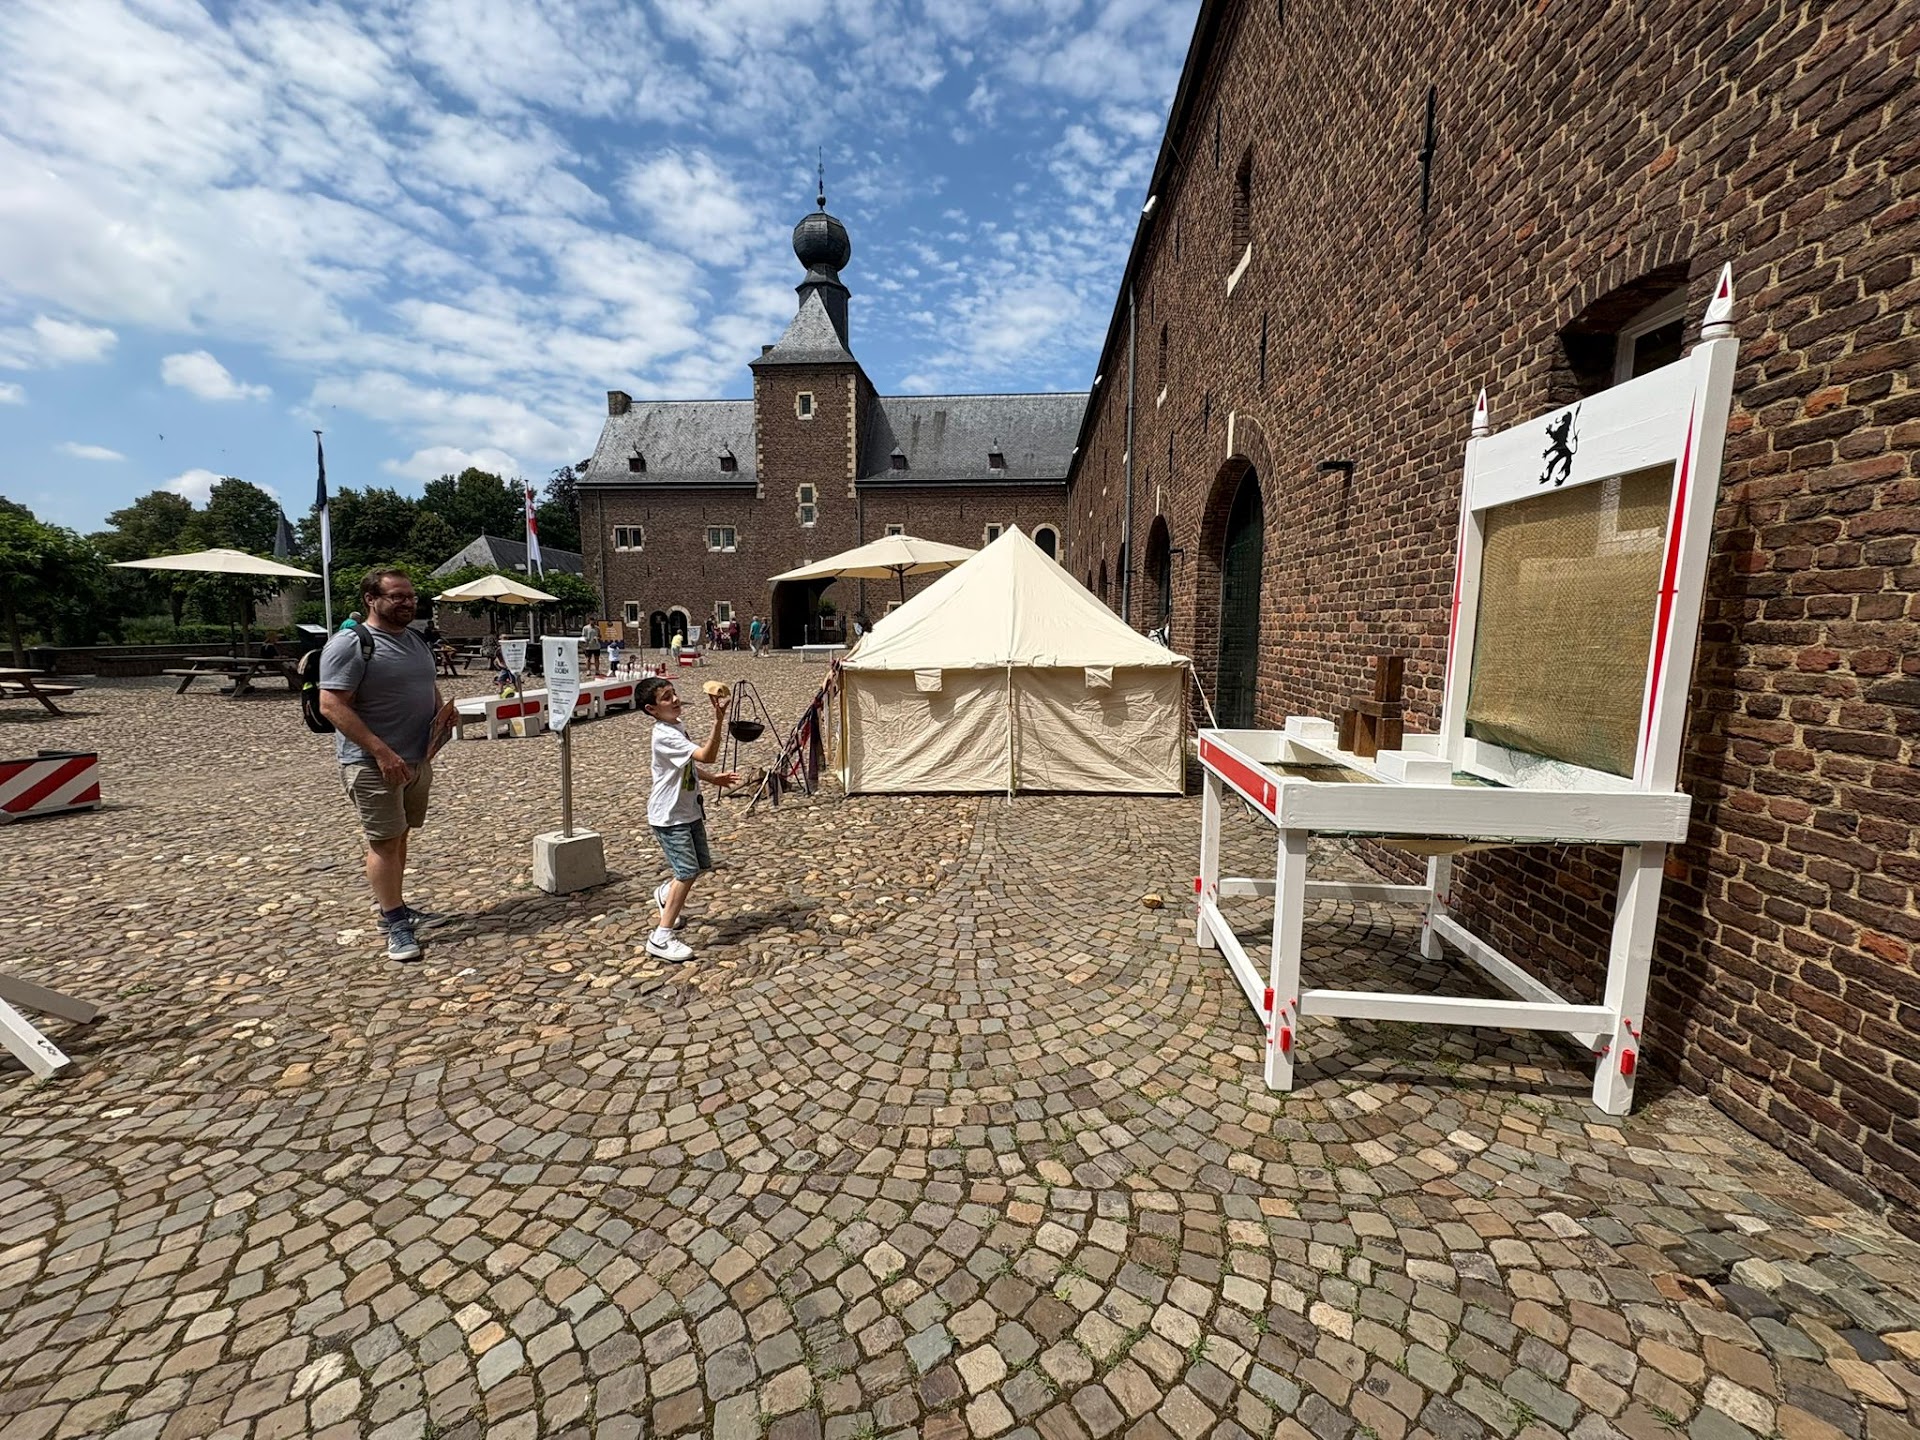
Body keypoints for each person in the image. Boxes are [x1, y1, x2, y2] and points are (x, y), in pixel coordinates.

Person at [318, 570, 458, 963]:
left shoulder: (414, 640)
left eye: (410, 596)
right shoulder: (351, 644)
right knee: (383, 841)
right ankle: (394, 922)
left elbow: (426, 684)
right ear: (370, 599)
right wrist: (381, 752)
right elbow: (331, 705)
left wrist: (441, 715)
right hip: (373, 763)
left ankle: (395, 905)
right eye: (397, 596)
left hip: (416, 757)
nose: (407, 602)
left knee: (400, 836)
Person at [636, 677, 741, 962]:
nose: (675, 699)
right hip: (670, 816)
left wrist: (713, 779)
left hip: (689, 810)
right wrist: (718, 721)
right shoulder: (664, 734)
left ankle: (665, 894)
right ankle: (661, 937)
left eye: (674, 693)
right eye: (666, 697)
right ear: (651, 709)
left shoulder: (676, 726)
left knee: (701, 865)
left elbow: (687, 764)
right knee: (686, 872)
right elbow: (706, 755)